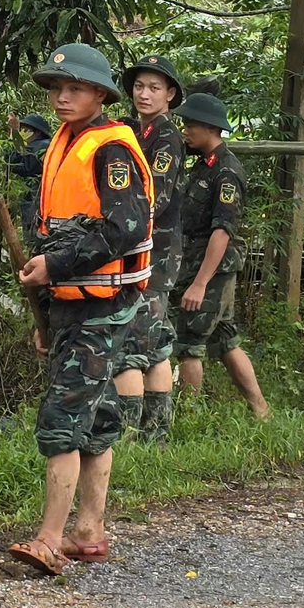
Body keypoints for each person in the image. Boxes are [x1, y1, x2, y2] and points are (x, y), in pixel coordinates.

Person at [7, 43, 152, 575]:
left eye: (74, 89)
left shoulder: (111, 150)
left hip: (103, 303)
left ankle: (49, 538)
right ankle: (88, 530)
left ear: (99, 94)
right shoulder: (64, 143)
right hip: (73, 303)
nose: (62, 97)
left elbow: (126, 228)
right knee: (98, 414)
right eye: (56, 89)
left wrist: (58, 266)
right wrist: (48, 303)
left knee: (63, 418)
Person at [173, 92, 270, 420]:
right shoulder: (204, 165)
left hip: (210, 266)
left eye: (190, 125)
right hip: (198, 260)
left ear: (210, 128)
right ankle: (261, 411)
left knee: (189, 343)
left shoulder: (226, 172)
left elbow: (222, 231)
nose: (185, 130)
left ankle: (187, 420)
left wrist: (200, 284)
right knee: (225, 339)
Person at [117, 53, 186, 441]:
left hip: (155, 250)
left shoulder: (165, 137)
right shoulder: (134, 130)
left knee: (140, 341)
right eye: (139, 87)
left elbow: (155, 196)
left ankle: (138, 434)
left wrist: (118, 223)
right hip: (142, 246)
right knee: (154, 340)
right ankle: (152, 433)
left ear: (170, 95)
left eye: (154, 88)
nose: (144, 94)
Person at [5, 112, 53, 247]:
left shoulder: (41, 146)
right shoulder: (42, 145)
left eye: (26, 130)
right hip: (36, 200)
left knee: (35, 241)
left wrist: (13, 133)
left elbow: (14, 162)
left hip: (37, 201)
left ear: (37, 133)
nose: (22, 133)